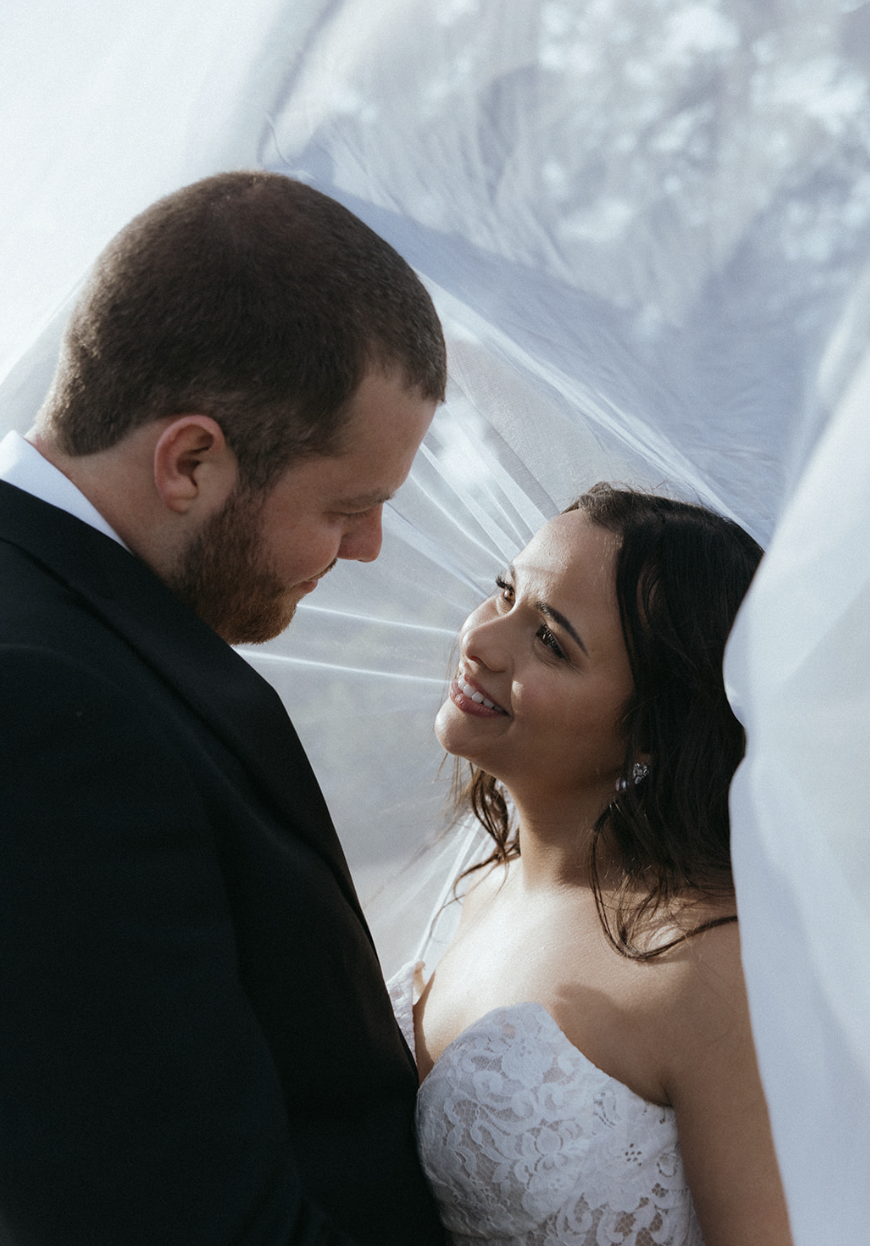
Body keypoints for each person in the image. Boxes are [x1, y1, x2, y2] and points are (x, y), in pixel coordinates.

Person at [0, 171, 448, 1245]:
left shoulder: (72, 629)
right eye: (349, 507)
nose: (368, 549)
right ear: (192, 460)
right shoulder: (44, 704)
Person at [390, 485, 794, 1246]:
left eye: (551, 642)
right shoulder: (479, 880)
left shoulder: (710, 962)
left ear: (651, 732)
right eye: (505, 592)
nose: (481, 641)